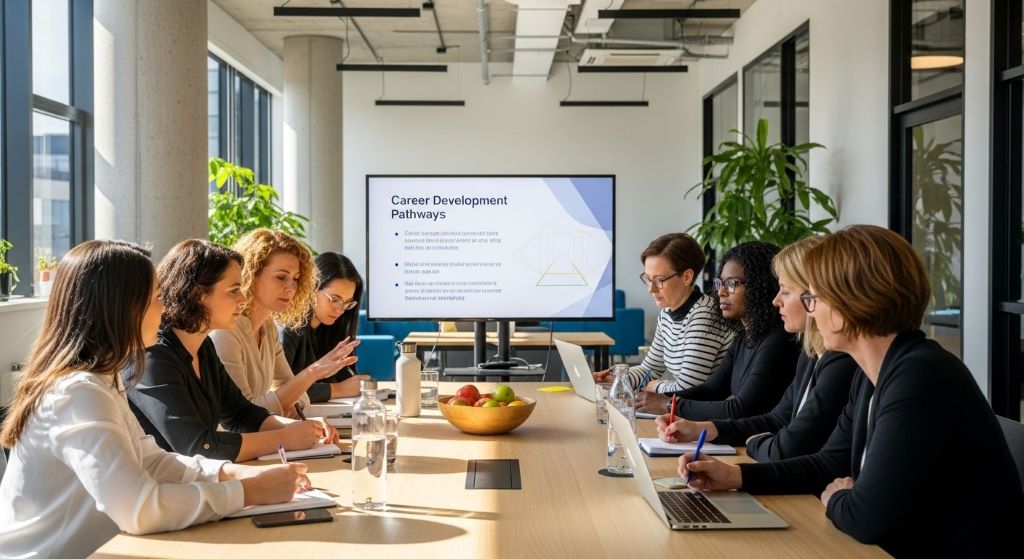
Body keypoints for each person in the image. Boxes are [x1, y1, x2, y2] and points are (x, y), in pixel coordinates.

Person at [677, 225, 1023, 558]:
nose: (809, 311)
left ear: (847, 305)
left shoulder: (920, 375)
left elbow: (866, 517)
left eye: (812, 298)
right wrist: (735, 475)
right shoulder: (871, 374)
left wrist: (839, 497)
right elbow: (830, 463)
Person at [0, 240, 308, 558]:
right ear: (121, 307)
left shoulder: (103, 380)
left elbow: (152, 460)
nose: (165, 308)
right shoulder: (78, 392)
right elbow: (138, 508)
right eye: (157, 298)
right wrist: (244, 492)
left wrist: (233, 474)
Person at [126, 240, 339, 463]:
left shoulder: (203, 346)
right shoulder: (153, 357)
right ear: (200, 293)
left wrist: (302, 428)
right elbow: (199, 446)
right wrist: (285, 438)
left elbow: (240, 413)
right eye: (234, 291)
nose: (243, 299)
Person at [655, 236, 857, 461]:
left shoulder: (789, 343)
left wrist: (668, 403)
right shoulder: (808, 354)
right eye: (720, 283)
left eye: (786, 291)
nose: (776, 300)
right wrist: (703, 427)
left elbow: (757, 420)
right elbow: (774, 419)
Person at [635, 241, 800, 418]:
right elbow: (711, 390)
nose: (721, 292)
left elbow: (739, 408)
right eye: (720, 283)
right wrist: (648, 400)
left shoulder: (778, 340)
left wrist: (668, 404)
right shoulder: (744, 337)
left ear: (760, 286)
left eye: (731, 283)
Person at [210, 229, 358, 416]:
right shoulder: (225, 332)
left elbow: (297, 394)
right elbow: (243, 414)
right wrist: (313, 372)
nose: (291, 288)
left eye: (296, 279)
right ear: (251, 274)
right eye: (281, 277)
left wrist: (287, 404)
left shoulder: (267, 327)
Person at [594, 233, 734, 392]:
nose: (650, 289)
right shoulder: (667, 313)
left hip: (709, 412)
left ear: (687, 277)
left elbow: (689, 389)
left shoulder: (704, 315)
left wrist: (655, 387)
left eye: (659, 280)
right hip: (688, 410)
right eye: (647, 279)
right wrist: (616, 379)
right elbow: (650, 369)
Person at [280, 252, 369, 402]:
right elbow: (281, 391)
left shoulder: (331, 329)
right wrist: (340, 389)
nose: (340, 310)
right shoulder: (289, 328)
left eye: (348, 303)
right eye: (335, 299)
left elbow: (347, 380)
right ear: (312, 288)